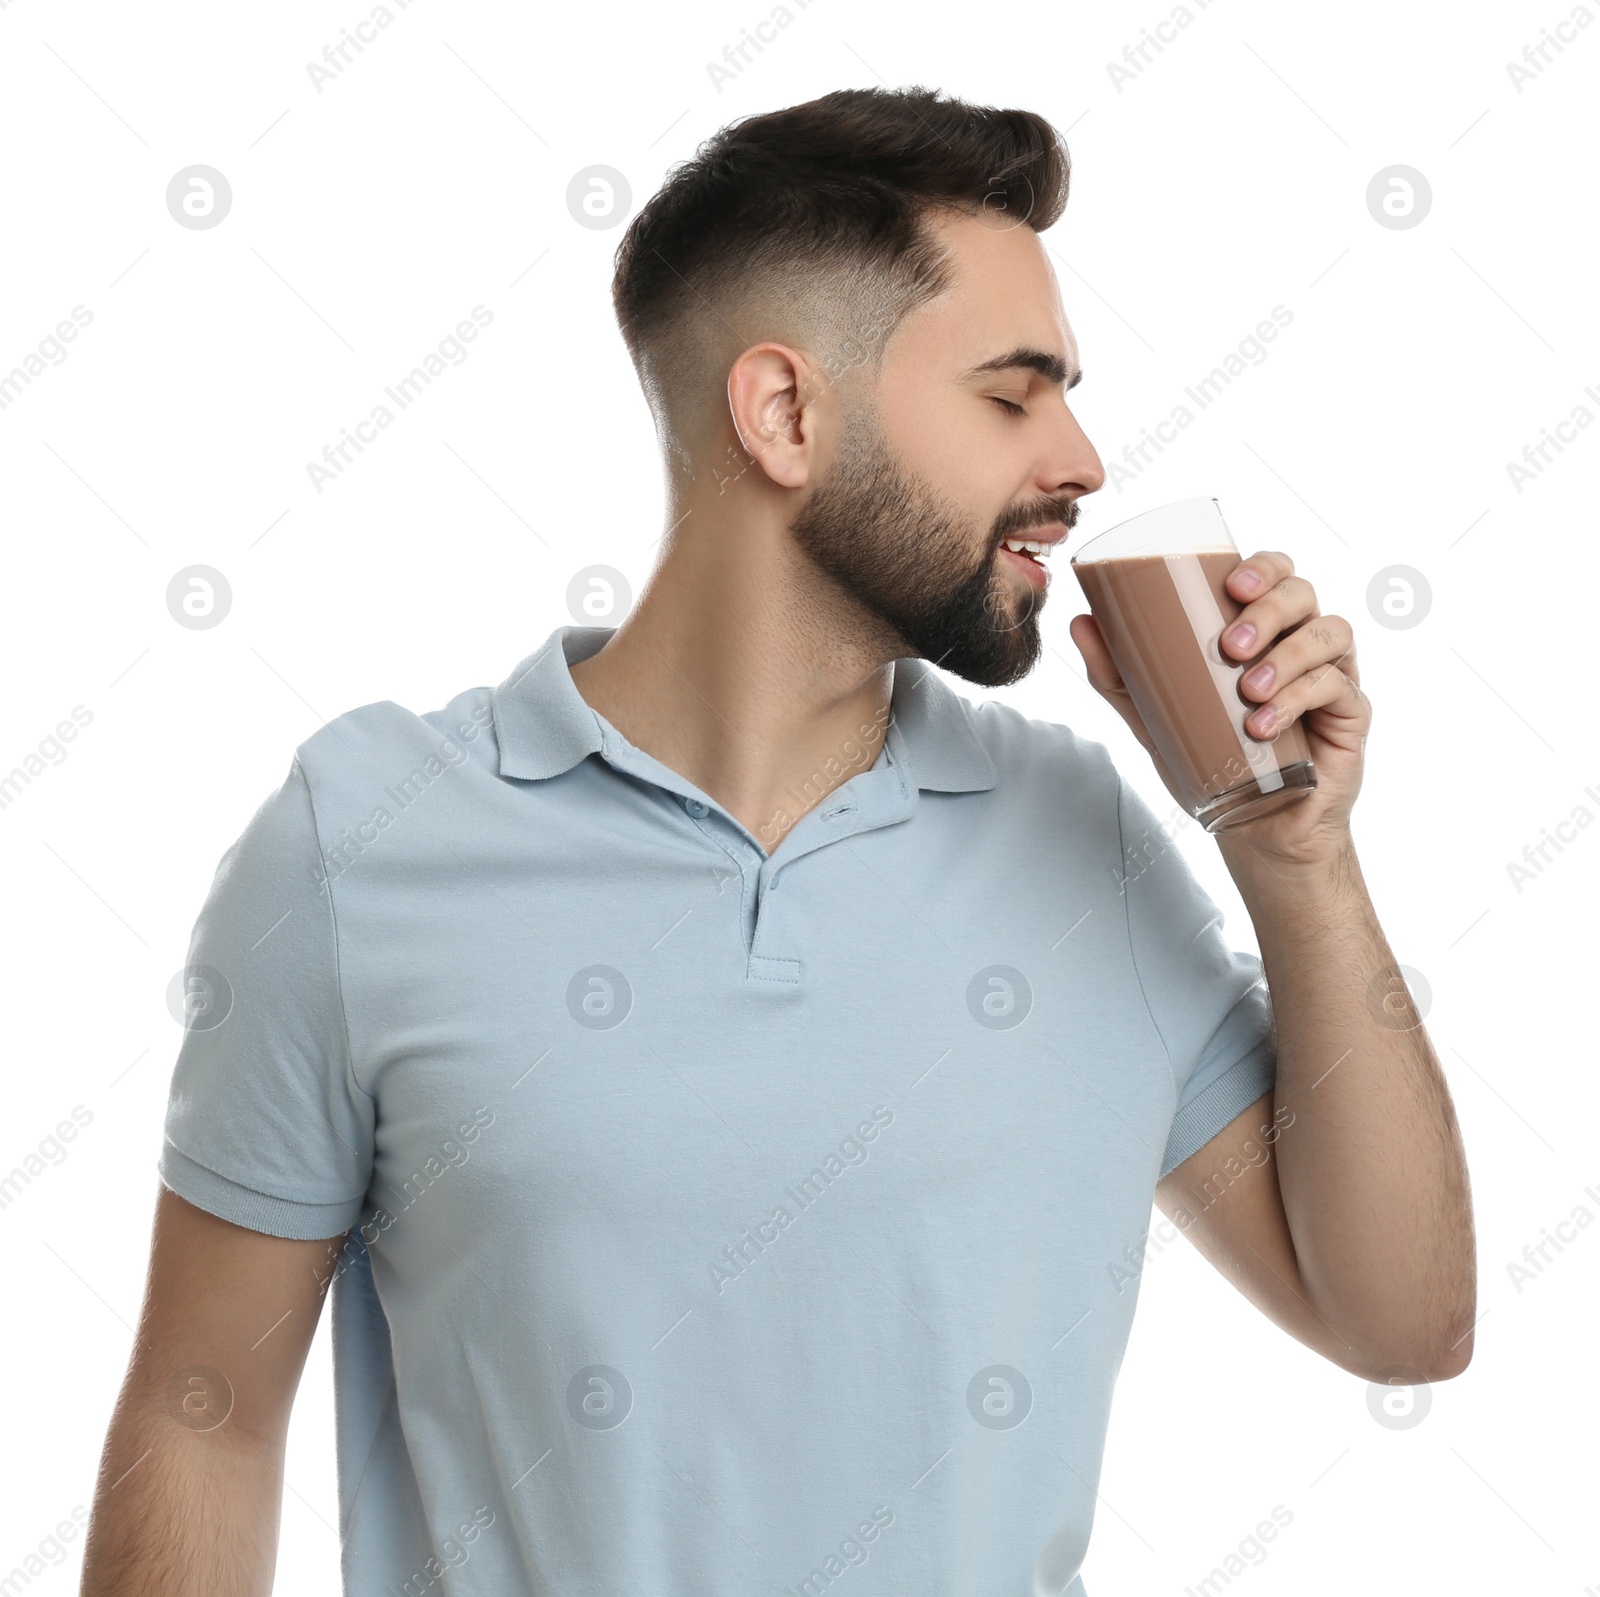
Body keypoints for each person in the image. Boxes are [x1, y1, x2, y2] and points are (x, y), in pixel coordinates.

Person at [80, 86, 1475, 1597]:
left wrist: (1297, 860)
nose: (1079, 459)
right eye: (1013, 396)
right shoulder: (363, 843)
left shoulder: (1089, 843)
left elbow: (1403, 1323)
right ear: (787, 413)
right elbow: (202, 1412)